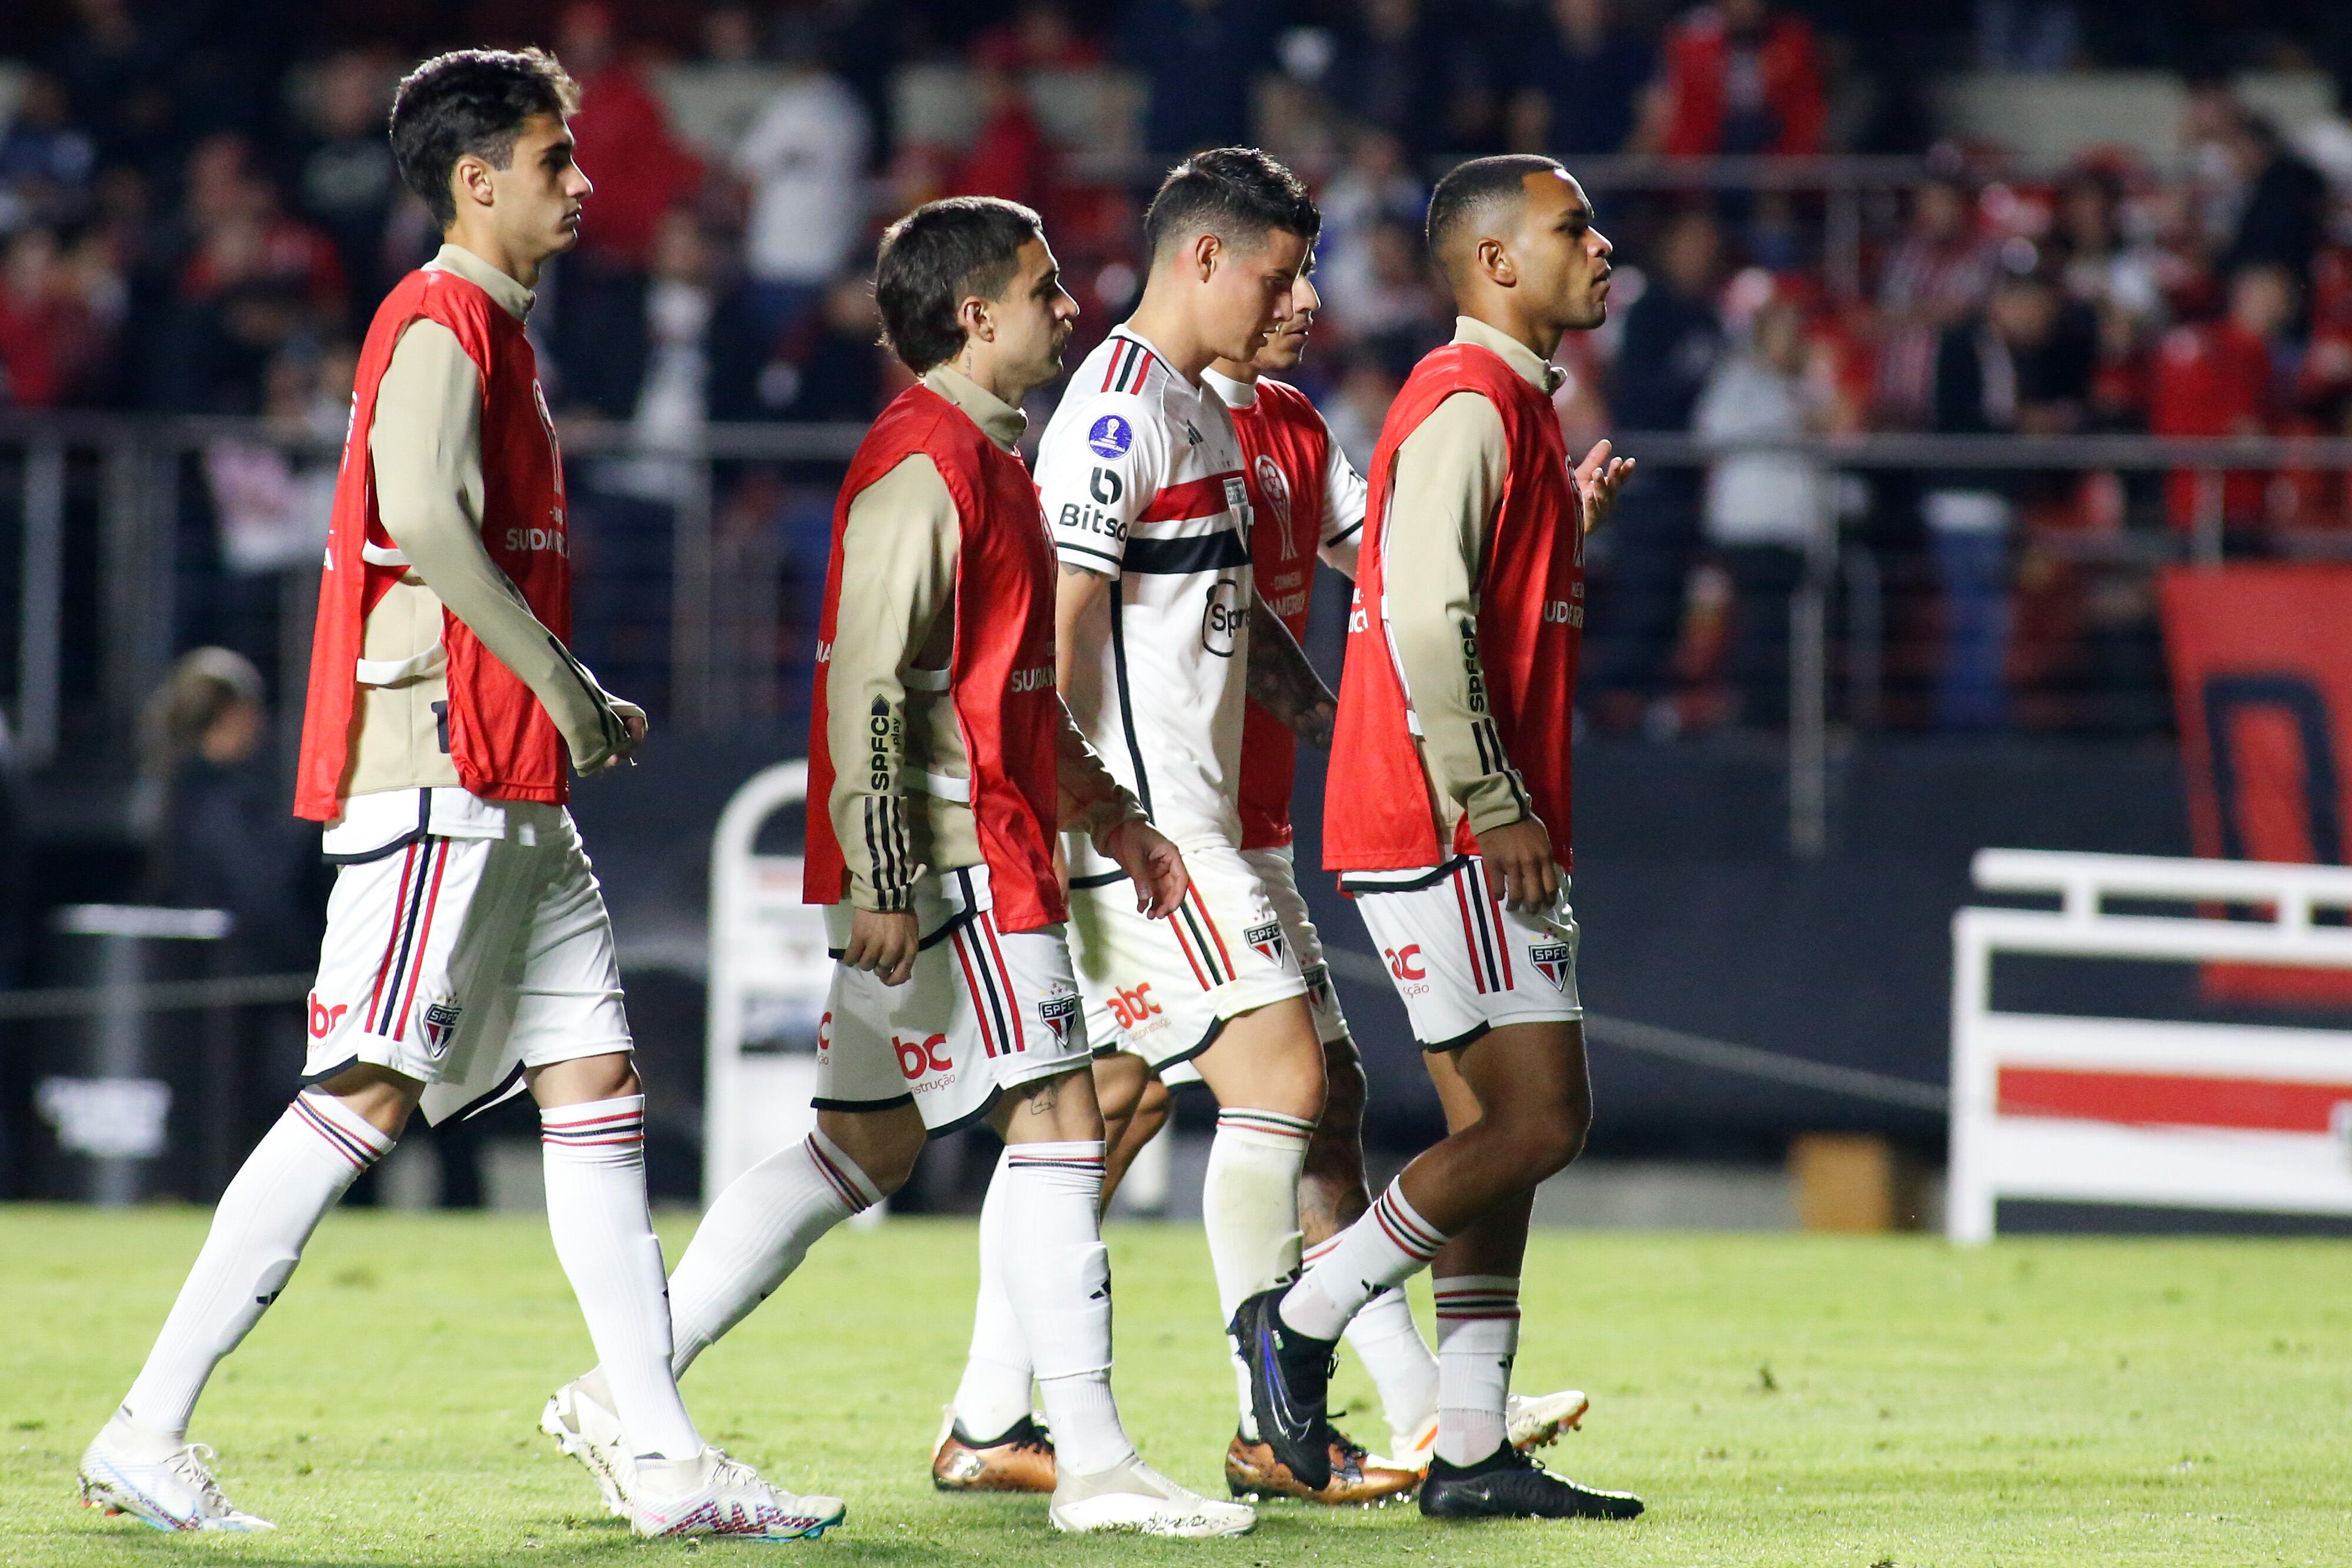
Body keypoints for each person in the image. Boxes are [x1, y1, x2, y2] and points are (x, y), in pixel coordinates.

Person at [76, 48, 838, 1542]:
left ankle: (662, 1454)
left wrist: (564, 687)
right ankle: (145, 1426)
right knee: (363, 1091)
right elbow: (421, 519)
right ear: (476, 178)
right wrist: (558, 685)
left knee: (597, 1083)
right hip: (437, 771)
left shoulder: (493, 331)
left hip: (509, 779)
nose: (584, 182)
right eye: (558, 160)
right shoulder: (438, 319)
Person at [539, 196, 1250, 1539]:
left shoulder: (981, 454)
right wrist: (881, 871)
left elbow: (1003, 688)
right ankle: (1092, 1462)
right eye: (1044, 291)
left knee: (857, 1144)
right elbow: (868, 681)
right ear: (974, 314)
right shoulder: (928, 459)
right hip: (950, 851)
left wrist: (1105, 809)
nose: (1068, 309)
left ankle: (625, 1390)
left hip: (951, 839)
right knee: (1056, 1121)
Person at [925, 148, 1335, 1495]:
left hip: (1163, 820)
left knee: (1104, 1107)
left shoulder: (1198, 405)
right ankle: (1274, 1410)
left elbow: (1217, 601)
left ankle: (988, 1421)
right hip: (1144, 841)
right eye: (1275, 271)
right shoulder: (1114, 412)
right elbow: (1056, 624)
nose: (1294, 295)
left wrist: (1308, 697)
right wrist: (1081, 809)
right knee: (1281, 1074)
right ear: (1202, 258)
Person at [1244, 154, 1646, 1522]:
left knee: (1499, 1133)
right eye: (1569, 228)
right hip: (1444, 818)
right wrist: (1492, 800)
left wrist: (1560, 530)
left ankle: (1469, 1446)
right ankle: (1299, 1321)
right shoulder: (1473, 400)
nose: (1598, 247)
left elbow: (1461, 586)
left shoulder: (1506, 410)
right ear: (1492, 262)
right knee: (1543, 1117)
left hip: (1436, 816)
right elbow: (1421, 622)